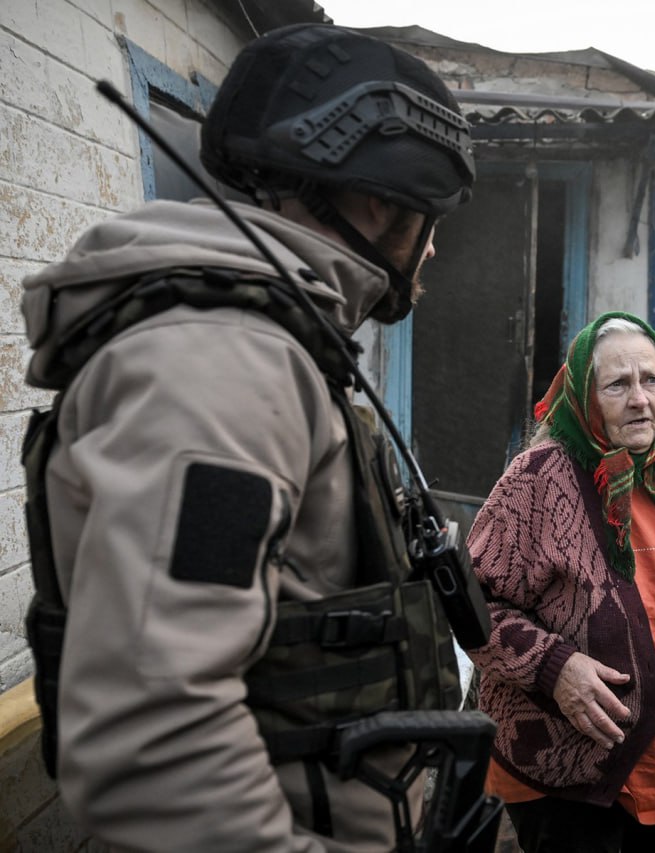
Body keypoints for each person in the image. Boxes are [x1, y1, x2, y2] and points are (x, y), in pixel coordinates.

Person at [21, 24, 485, 851]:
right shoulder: (218, 366)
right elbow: (154, 745)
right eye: (429, 216)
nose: (437, 245)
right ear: (378, 202)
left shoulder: (264, 348)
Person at [465, 312, 655, 852]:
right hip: (567, 772)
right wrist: (555, 668)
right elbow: (472, 604)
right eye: (618, 385)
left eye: (651, 380)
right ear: (584, 394)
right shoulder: (535, 481)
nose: (640, 399)